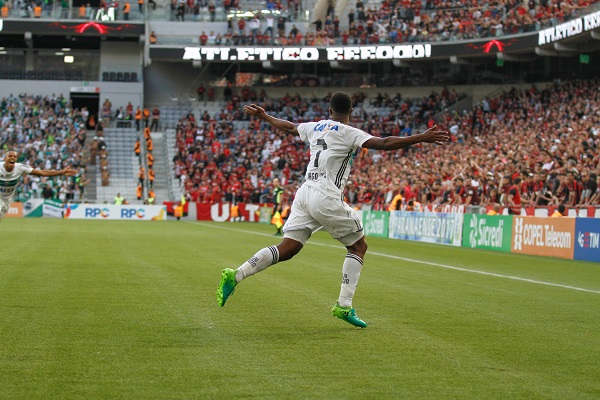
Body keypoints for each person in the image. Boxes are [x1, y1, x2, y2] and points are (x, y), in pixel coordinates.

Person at [216, 92, 450, 328]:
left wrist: (265, 116)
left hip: (305, 192)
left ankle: (235, 275)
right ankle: (344, 305)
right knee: (358, 246)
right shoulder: (349, 132)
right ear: (351, 111)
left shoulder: (315, 127)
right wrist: (421, 137)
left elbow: (288, 126)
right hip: (326, 195)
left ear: (329, 111)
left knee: (287, 249)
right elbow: (384, 143)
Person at [0, 151, 77, 222]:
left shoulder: (19, 168)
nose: (12, 158)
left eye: (15, 156)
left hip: (7, 199)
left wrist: (61, 172)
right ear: (5, 158)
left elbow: (41, 172)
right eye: (10, 156)